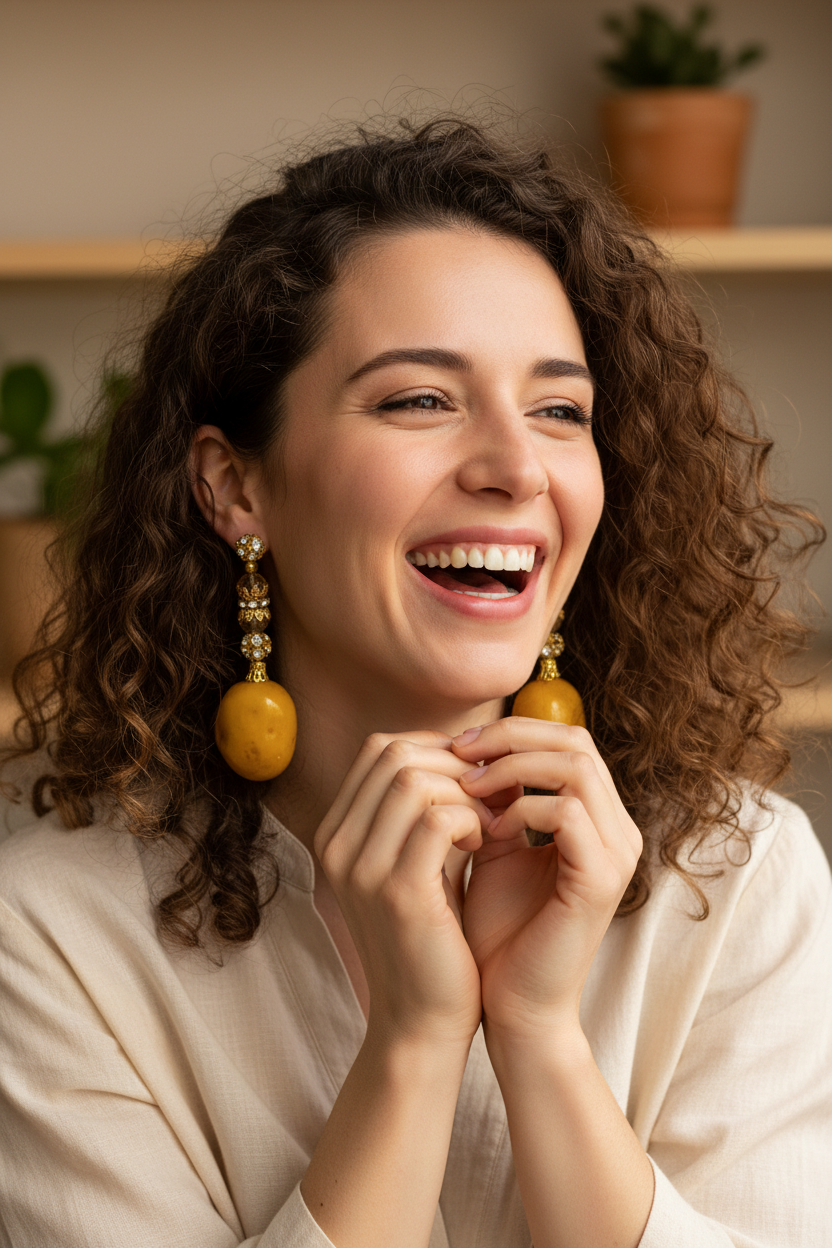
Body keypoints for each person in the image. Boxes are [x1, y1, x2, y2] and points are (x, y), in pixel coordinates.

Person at [0, 116, 829, 1248]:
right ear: (234, 487)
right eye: (417, 401)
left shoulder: (740, 878)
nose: (513, 467)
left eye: (559, 411)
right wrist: (414, 1041)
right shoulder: (46, 922)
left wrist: (535, 1033)